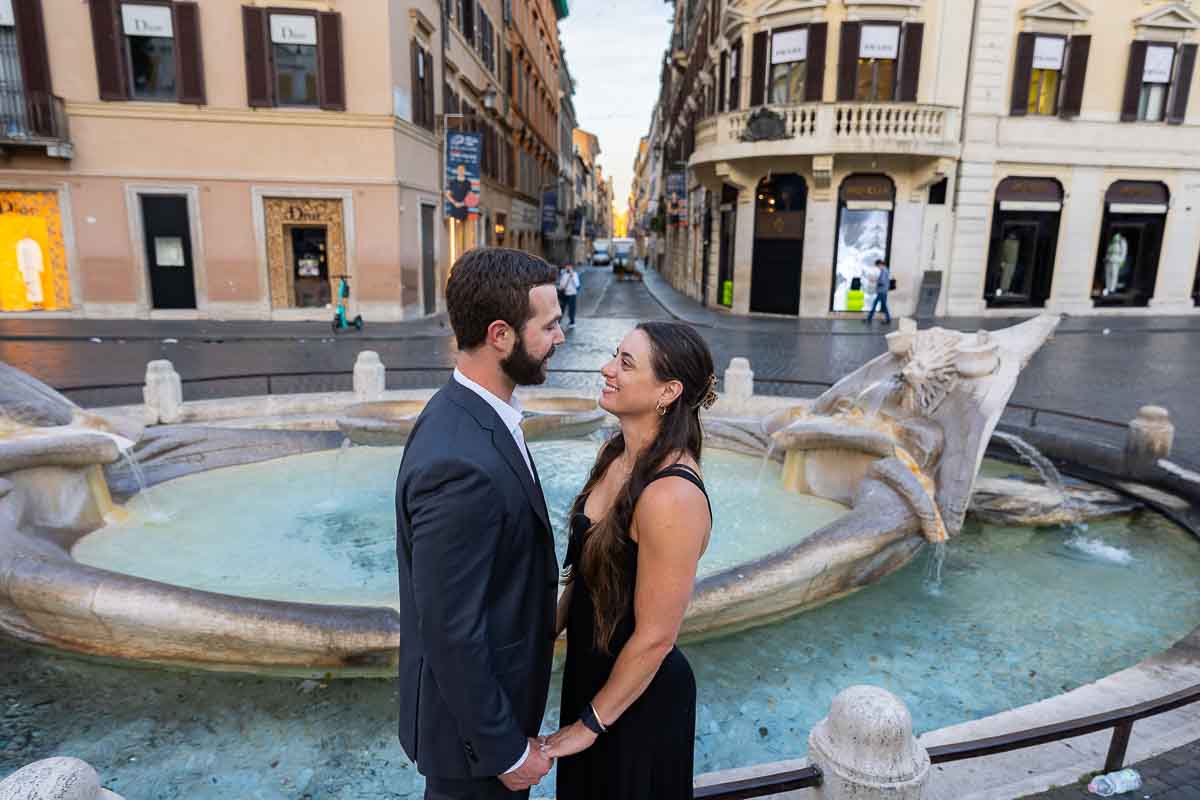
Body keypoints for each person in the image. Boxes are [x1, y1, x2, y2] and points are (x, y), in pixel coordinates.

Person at [395, 247, 566, 800]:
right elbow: (450, 629)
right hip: (476, 751)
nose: (559, 338)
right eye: (549, 325)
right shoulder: (460, 462)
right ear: (500, 335)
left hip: (484, 729)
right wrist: (506, 752)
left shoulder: (469, 415)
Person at [542, 321, 717, 800]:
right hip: (591, 681)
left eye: (625, 362)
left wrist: (589, 725)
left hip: (635, 703)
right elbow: (587, 577)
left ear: (668, 390)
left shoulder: (672, 494)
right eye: (613, 356)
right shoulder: (615, 454)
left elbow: (657, 637)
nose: (606, 369)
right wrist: (539, 639)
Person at [865, 258, 892, 325]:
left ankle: (869, 319)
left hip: (882, 291)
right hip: (883, 290)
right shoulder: (886, 270)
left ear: (880, 264)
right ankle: (870, 319)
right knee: (881, 305)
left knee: (880, 305)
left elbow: (882, 281)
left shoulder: (883, 271)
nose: (877, 268)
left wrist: (874, 280)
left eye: (877, 266)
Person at [559, 263, 580, 327]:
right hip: (564, 293)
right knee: (561, 307)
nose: (568, 267)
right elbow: (561, 283)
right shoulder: (563, 274)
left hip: (572, 293)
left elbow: (577, 284)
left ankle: (572, 322)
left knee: (571, 308)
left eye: (569, 266)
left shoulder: (575, 274)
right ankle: (559, 321)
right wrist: (560, 288)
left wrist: (572, 276)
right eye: (567, 266)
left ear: (571, 267)